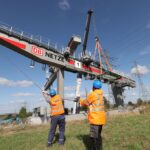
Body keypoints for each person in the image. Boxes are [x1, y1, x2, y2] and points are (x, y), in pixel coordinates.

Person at [80, 80, 106, 150]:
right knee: (98, 136)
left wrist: (79, 100)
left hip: (95, 120)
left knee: (94, 138)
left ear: (93, 87)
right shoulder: (101, 94)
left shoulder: (93, 94)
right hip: (101, 119)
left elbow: (85, 102)